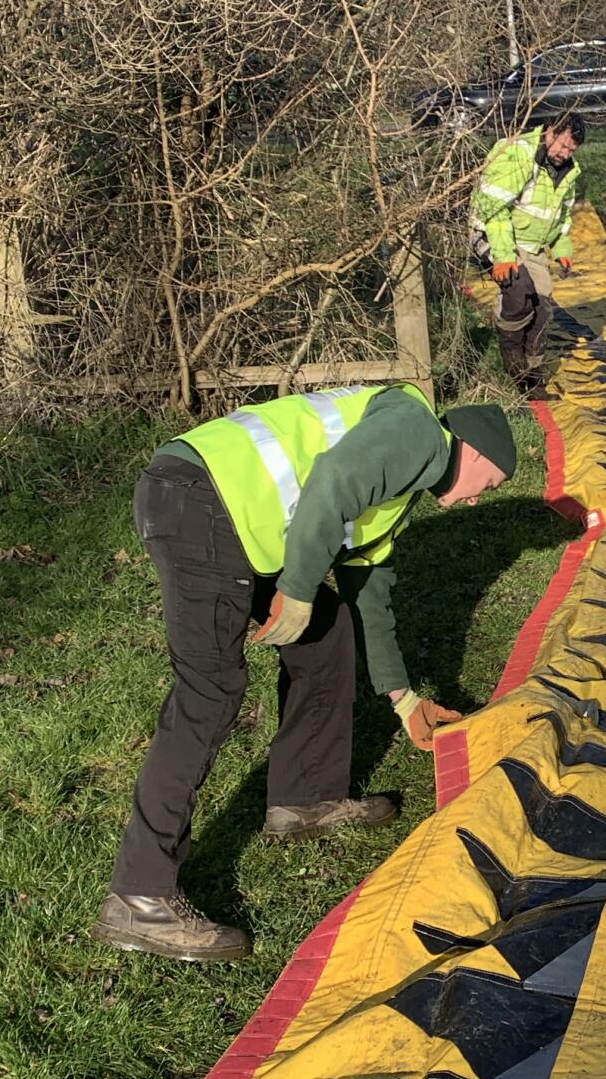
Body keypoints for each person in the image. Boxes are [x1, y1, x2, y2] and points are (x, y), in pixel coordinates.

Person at [94, 387, 520, 963]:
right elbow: (331, 480)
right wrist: (294, 591)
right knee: (209, 689)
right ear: (471, 451)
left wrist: (402, 697)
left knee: (328, 629)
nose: (476, 501)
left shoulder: (402, 485)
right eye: (490, 484)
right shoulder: (419, 432)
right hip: (200, 503)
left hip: (208, 505)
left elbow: (370, 592)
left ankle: (305, 799)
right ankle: (140, 895)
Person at [471, 114, 584, 389]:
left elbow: (560, 217)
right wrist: (504, 257)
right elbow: (493, 211)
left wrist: (562, 248)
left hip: (530, 245)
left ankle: (532, 378)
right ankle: (512, 364)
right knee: (517, 290)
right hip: (492, 232)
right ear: (549, 131)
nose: (564, 153)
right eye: (562, 145)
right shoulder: (517, 154)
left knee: (542, 311)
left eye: (571, 150)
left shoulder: (568, 173)